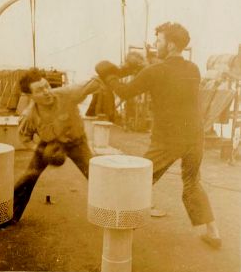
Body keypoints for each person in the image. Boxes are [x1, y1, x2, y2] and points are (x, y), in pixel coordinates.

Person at [95, 22, 222, 248]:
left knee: (141, 180)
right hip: (194, 137)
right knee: (192, 183)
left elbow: (125, 91)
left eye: (159, 41)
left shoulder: (155, 71)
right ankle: (213, 233)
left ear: (171, 44)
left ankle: (118, 238)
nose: (156, 45)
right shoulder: (193, 69)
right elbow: (168, 79)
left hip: (167, 139)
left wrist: (108, 75)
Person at [0, 68, 103, 226]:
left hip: (76, 142)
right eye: (40, 90)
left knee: (96, 174)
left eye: (47, 86)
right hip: (49, 143)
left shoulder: (67, 93)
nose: (47, 92)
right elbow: (25, 138)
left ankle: (113, 211)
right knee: (28, 177)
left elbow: (95, 82)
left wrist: (107, 76)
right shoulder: (29, 116)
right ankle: (8, 216)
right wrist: (39, 150)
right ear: (30, 96)